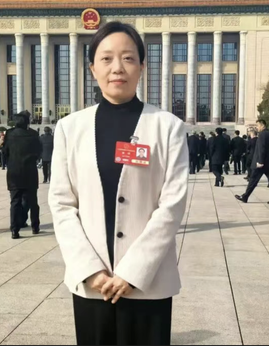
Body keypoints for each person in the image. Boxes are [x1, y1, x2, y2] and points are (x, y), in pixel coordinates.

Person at [49, 22, 188, 346]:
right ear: (92, 69)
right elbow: (62, 204)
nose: (117, 68)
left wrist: (133, 272)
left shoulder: (167, 127)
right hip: (92, 283)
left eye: (128, 58)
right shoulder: (71, 128)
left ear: (141, 67)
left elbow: (172, 205)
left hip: (148, 283)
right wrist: (90, 270)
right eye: (106, 58)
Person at [3, 113, 42, 239]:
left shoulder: (9, 134)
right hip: (30, 171)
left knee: (15, 201)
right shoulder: (33, 134)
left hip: (14, 172)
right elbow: (38, 151)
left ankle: (15, 230)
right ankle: (35, 227)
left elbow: (5, 151)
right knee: (33, 201)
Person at [235, 119, 269, 204]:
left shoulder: (262, 135)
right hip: (268, 161)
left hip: (261, 162)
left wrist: (260, 161)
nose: (257, 127)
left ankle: (245, 196)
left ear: (262, 125)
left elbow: (262, 148)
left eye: (258, 125)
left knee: (253, 180)